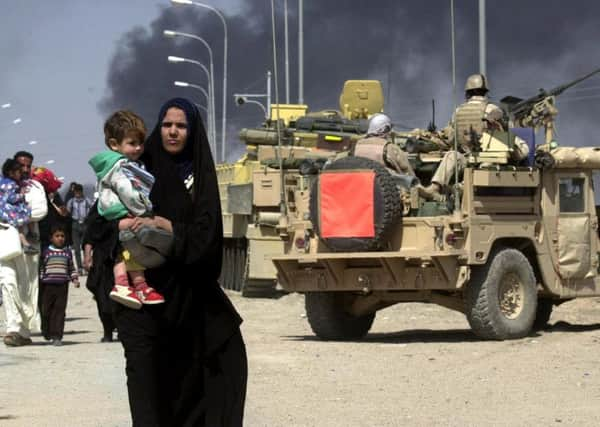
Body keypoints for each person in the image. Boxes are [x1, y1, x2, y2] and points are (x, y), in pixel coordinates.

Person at [108, 98, 247, 425]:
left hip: (192, 297)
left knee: (223, 362)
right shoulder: (138, 168)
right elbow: (105, 221)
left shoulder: (199, 177)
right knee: (150, 393)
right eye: (167, 124)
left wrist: (171, 228)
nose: (173, 132)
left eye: (181, 126)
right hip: (148, 303)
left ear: (192, 130)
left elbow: (207, 237)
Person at [89, 110, 165, 309]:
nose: (138, 148)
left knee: (128, 248)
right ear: (114, 144)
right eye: (132, 143)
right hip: (122, 211)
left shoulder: (117, 164)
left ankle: (138, 284)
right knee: (127, 246)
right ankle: (124, 284)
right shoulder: (120, 166)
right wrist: (144, 211)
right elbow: (128, 191)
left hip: (118, 212)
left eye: (141, 143)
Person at [418, 73, 530, 200]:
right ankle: (462, 187)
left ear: (467, 92)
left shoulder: (458, 112)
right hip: (489, 159)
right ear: (485, 91)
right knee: (522, 149)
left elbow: (451, 138)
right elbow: (505, 134)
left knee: (451, 155)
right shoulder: (493, 109)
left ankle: (434, 188)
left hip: (468, 158)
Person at [0, 150, 48, 347]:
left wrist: (13, 214)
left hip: (28, 243)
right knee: (7, 283)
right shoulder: (4, 184)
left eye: (29, 166)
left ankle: (25, 331)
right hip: (4, 240)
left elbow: (40, 211)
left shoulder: (34, 187)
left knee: (26, 287)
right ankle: (12, 328)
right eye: (22, 166)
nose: (25, 170)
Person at [82, 203, 118, 343]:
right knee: (102, 297)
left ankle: (121, 329)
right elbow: (89, 237)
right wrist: (87, 256)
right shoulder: (97, 214)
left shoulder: (123, 209)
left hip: (120, 258)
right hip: (101, 260)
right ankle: (107, 331)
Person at [39, 224, 79, 346]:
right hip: (47, 286)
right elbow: (41, 268)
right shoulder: (46, 252)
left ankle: (57, 336)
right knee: (46, 311)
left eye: (62, 236)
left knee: (59, 311)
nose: (60, 238)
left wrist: (75, 279)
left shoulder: (67, 253)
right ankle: (46, 330)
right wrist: (41, 280)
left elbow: (71, 267)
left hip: (62, 286)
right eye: (57, 236)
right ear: (51, 238)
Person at [0, 158, 38, 253]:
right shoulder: (11, 184)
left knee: (19, 227)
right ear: (11, 172)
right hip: (9, 210)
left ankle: (26, 244)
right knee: (26, 213)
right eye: (18, 172)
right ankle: (30, 235)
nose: (20, 173)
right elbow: (11, 198)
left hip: (5, 209)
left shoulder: (3, 181)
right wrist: (21, 194)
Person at [66, 183, 92, 275]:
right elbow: (67, 212)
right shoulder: (71, 202)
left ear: (81, 192)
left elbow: (92, 210)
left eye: (78, 191)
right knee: (76, 248)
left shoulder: (87, 201)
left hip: (85, 224)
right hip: (75, 224)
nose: (77, 193)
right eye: (76, 192)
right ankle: (80, 268)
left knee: (85, 247)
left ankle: (86, 266)